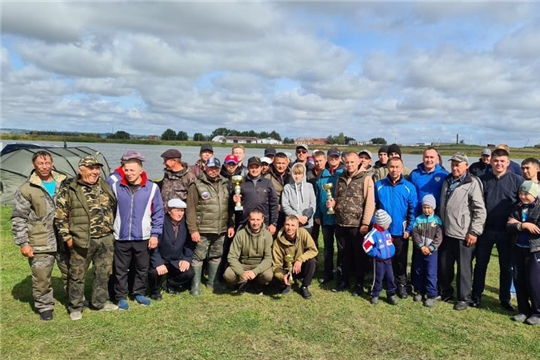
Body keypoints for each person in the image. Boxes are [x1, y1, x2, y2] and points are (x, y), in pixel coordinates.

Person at [55, 155, 118, 320]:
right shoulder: (70, 188)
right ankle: (75, 306)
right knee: (77, 274)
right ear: (80, 169)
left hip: (105, 238)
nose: (95, 171)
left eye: (97, 168)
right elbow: (60, 216)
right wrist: (67, 237)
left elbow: (114, 207)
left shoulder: (104, 185)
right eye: (91, 168)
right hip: (81, 239)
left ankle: (99, 303)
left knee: (103, 273)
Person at [12, 151, 69, 321]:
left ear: (52, 164)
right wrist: (23, 243)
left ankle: (74, 300)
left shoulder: (64, 182)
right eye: (40, 164)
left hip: (65, 238)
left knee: (71, 272)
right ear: (34, 165)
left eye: (47, 163)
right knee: (41, 276)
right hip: (40, 239)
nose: (44, 167)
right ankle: (44, 306)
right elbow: (18, 217)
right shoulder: (26, 188)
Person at [110, 151, 164, 310]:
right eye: (126, 170)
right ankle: (121, 296)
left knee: (142, 268)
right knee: (120, 269)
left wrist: (155, 234)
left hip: (143, 236)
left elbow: (158, 212)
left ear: (141, 170)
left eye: (132, 170)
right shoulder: (115, 186)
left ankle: (139, 292)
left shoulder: (152, 188)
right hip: (121, 236)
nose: (129, 174)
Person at [472, 148, 524, 311]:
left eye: (502, 161)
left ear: (508, 163)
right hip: (486, 229)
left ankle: (505, 299)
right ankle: (476, 296)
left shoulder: (517, 180)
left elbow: (524, 202)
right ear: (491, 162)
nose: (498, 164)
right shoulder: (482, 180)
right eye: (496, 161)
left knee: (506, 266)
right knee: (481, 264)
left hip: (507, 231)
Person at [438, 152, 486, 311]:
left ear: (466, 165)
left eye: (458, 164)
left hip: (464, 233)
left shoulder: (472, 182)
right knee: (445, 265)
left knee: (464, 268)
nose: (454, 167)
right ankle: (445, 292)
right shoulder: (447, 180)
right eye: (452, 164)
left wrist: (474, 232)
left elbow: (480, 210)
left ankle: (464, 297)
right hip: (446, 231)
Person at [327, 152, 375, 296]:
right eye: (347, 162)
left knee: (359, 255)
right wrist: (332, 204)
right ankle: (343, 280)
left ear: (359, 162)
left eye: (352, 162)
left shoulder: (366, 178)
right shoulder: (340, 177)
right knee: (343, 254)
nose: (349, 165)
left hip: (357, 225)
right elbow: (337, 197)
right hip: (341, 223)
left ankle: (359, 283)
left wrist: (365, 223)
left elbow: (370, 203)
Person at [186, 157, 235, 295]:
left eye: (216, 168)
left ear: (219, 169)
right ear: (205, 168)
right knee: (198, 257)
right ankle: (195, 286)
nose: (213, 171)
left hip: (221, 228)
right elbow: (190, 210)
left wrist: (231, 225)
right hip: (202, 229)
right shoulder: (196, 185)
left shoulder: (226, 184)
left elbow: (229, 208)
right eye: (211, 168)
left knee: (216, 255)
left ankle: (212, 282)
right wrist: (193, 229)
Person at [374, 157, 417, 299]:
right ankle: (387, 283)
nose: (394, 170)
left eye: (397, 167)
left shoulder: (409, 187)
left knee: (400, 259)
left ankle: (401, 284)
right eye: (391, 166)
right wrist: (376, 227)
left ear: (402, 167)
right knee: (385, 258)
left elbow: (413, 210)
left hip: (400, 231)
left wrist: (409, 229)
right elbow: (374, 207)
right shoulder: (379, 185)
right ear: (387, 167)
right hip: (383, 231)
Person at [506, 181, 540, 325]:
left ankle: (537, 312)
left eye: (526, 194)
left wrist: (519, 224)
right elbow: (509, 226)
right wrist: (523, 225)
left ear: (535, 194)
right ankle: (523, 310)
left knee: (534, 281)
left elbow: (537, 229)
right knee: (519, 279)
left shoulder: (538, 208)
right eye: (521, 193)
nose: (523, 196)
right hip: (518, 247)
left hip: (534, 249)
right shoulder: (517, 207)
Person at [148, 199, 195, 300]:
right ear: (169, 211)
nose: (180, 214)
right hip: (161, 257)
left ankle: (169, 284)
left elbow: (190, 243)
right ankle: (155, 292)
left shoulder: (186, 223)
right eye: (177, 211)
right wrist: (158, 263)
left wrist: (186, 259)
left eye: (182, 211)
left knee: (189, 273)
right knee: (153, 273)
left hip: (176, 259)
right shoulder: (160, 222)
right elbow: (153, 245)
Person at [224, 209, 273, 294]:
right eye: (253, 219)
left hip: (259, 265)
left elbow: (268, 259)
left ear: (262, 220)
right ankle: (243, 281)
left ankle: (257, 283)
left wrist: (255, 271)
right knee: (228, 274)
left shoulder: (267, 235)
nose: (255, 223)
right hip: (243, 265)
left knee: (268, 275)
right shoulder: (240, 234)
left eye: (258, 220)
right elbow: (232, 257)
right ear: (249, 220)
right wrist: (241, 272)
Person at [314, 147, 344, 284]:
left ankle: (341, 273)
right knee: (327, 247)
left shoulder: (343, 173)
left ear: (340, 158)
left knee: (341, 247)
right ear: (327, 158)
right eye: (331, 157)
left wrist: (336, 203)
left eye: (336, 157)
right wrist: (317, 214)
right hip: (325, 217)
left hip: (339, 218)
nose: (333, 160)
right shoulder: (322, 175)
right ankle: (328, 272)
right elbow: (317, 196)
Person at [272, 215, 318, 299]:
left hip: (300, 267)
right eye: (287, 224)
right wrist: (282, 276)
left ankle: (304, 286)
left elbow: (313, 250)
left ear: (297, 226)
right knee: (275, 277)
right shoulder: (277, 242)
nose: (289, 228)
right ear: (283, 224)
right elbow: (276, 265)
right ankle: (286, 283)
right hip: (286, 270)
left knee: (312, 261)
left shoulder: (303, 233)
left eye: (293, 225)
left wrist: (300, 260)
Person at [411, 195, 443, 307]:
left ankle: (431, 294)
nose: (427, 210)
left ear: (433, 207)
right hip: (420, 250)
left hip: (432, 252)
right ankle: (419, 291)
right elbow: (415, 234)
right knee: (419, 271)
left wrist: (431, 248)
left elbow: (439, 237)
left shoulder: (437, 220)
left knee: (431, 272)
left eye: (429, 207)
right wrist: (421, 246)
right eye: (424, 207)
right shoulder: (418, 220)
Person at [233, 157, 279, 234]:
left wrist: (273, 223)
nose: (254, 170)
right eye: (252, 167)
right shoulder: (241, 183)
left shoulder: (267, 183)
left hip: (264, 223)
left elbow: (274, 204)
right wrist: (234, 201)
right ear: (248, 168)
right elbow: (233, 206)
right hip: (245, 222)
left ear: (261, 168)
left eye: (257, 167)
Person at [363, 209, 398, 306]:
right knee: (378, 278)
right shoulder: (373, 234)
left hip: (388, 260)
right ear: (381, 224)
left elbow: (389, 240)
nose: (389, 225)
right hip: (378, 261)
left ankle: (391, 294)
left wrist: (391, 249)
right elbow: (366, 245)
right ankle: (375, 294)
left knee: (390, 277)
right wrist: (376, 253)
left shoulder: (386, 231)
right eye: (387, 224)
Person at [408, 147, 449, 215]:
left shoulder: (444, 174)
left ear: (437, 159)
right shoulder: (414, 175)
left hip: (437, 216)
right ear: (423, 158)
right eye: (426, 157)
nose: (429, 160)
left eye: (431, 157)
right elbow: (409, 197)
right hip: (419, 216)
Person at [281, 163, 316, 235]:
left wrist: (306, 217)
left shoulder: (309, 186)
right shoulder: (287, 188)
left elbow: (313, 204)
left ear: (303, 174)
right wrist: (297, 217)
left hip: (307, 223)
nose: (297, 176)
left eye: (299, 174)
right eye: (295, 174)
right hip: (292, 222)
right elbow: (285, 205)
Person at [264, 152, 292, 231]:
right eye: (278, 163)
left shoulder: (292, 176)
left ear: (287, 163)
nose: (281, 166)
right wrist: (277, 206)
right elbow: (264, 196)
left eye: (283, 163)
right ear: (273, 163)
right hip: (273, 213)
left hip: (290, 212)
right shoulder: (267, 177)